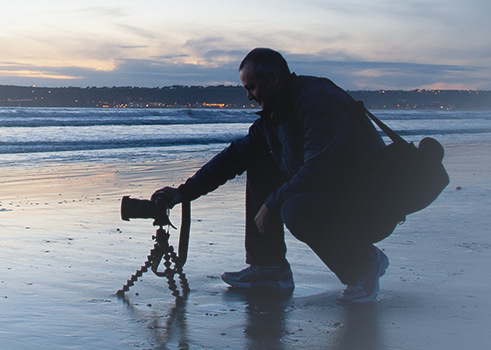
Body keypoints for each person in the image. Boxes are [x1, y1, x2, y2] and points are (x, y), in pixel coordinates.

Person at [152, 48, 398, 303]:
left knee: (294, 209)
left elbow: (320, 168)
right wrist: (183, 192)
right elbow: (233, 158)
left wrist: (272, 202)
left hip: (370, 203)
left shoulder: (319, 99)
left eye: (252, 87)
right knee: (258, 161)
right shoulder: (275, 117)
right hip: (334, 195)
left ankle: (364, 264)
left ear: (275, 77)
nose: (249, 97)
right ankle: (268, 267)